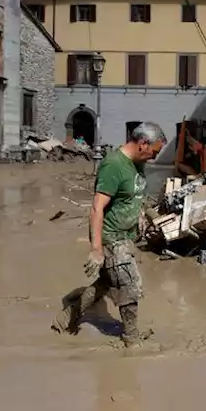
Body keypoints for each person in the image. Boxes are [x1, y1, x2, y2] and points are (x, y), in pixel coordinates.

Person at [60, 122, 166, 346]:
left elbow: (134, 195)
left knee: (106, 283)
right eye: (154, 152)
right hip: (111, 236)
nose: (154, 157)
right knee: (129, 286)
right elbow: (97, 208)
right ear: (142, 144)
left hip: (126, 237)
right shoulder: (114, 165)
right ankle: (131, 338)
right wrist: (97, 250)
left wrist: (147, 216)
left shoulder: (138, 164)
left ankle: (65, 319)